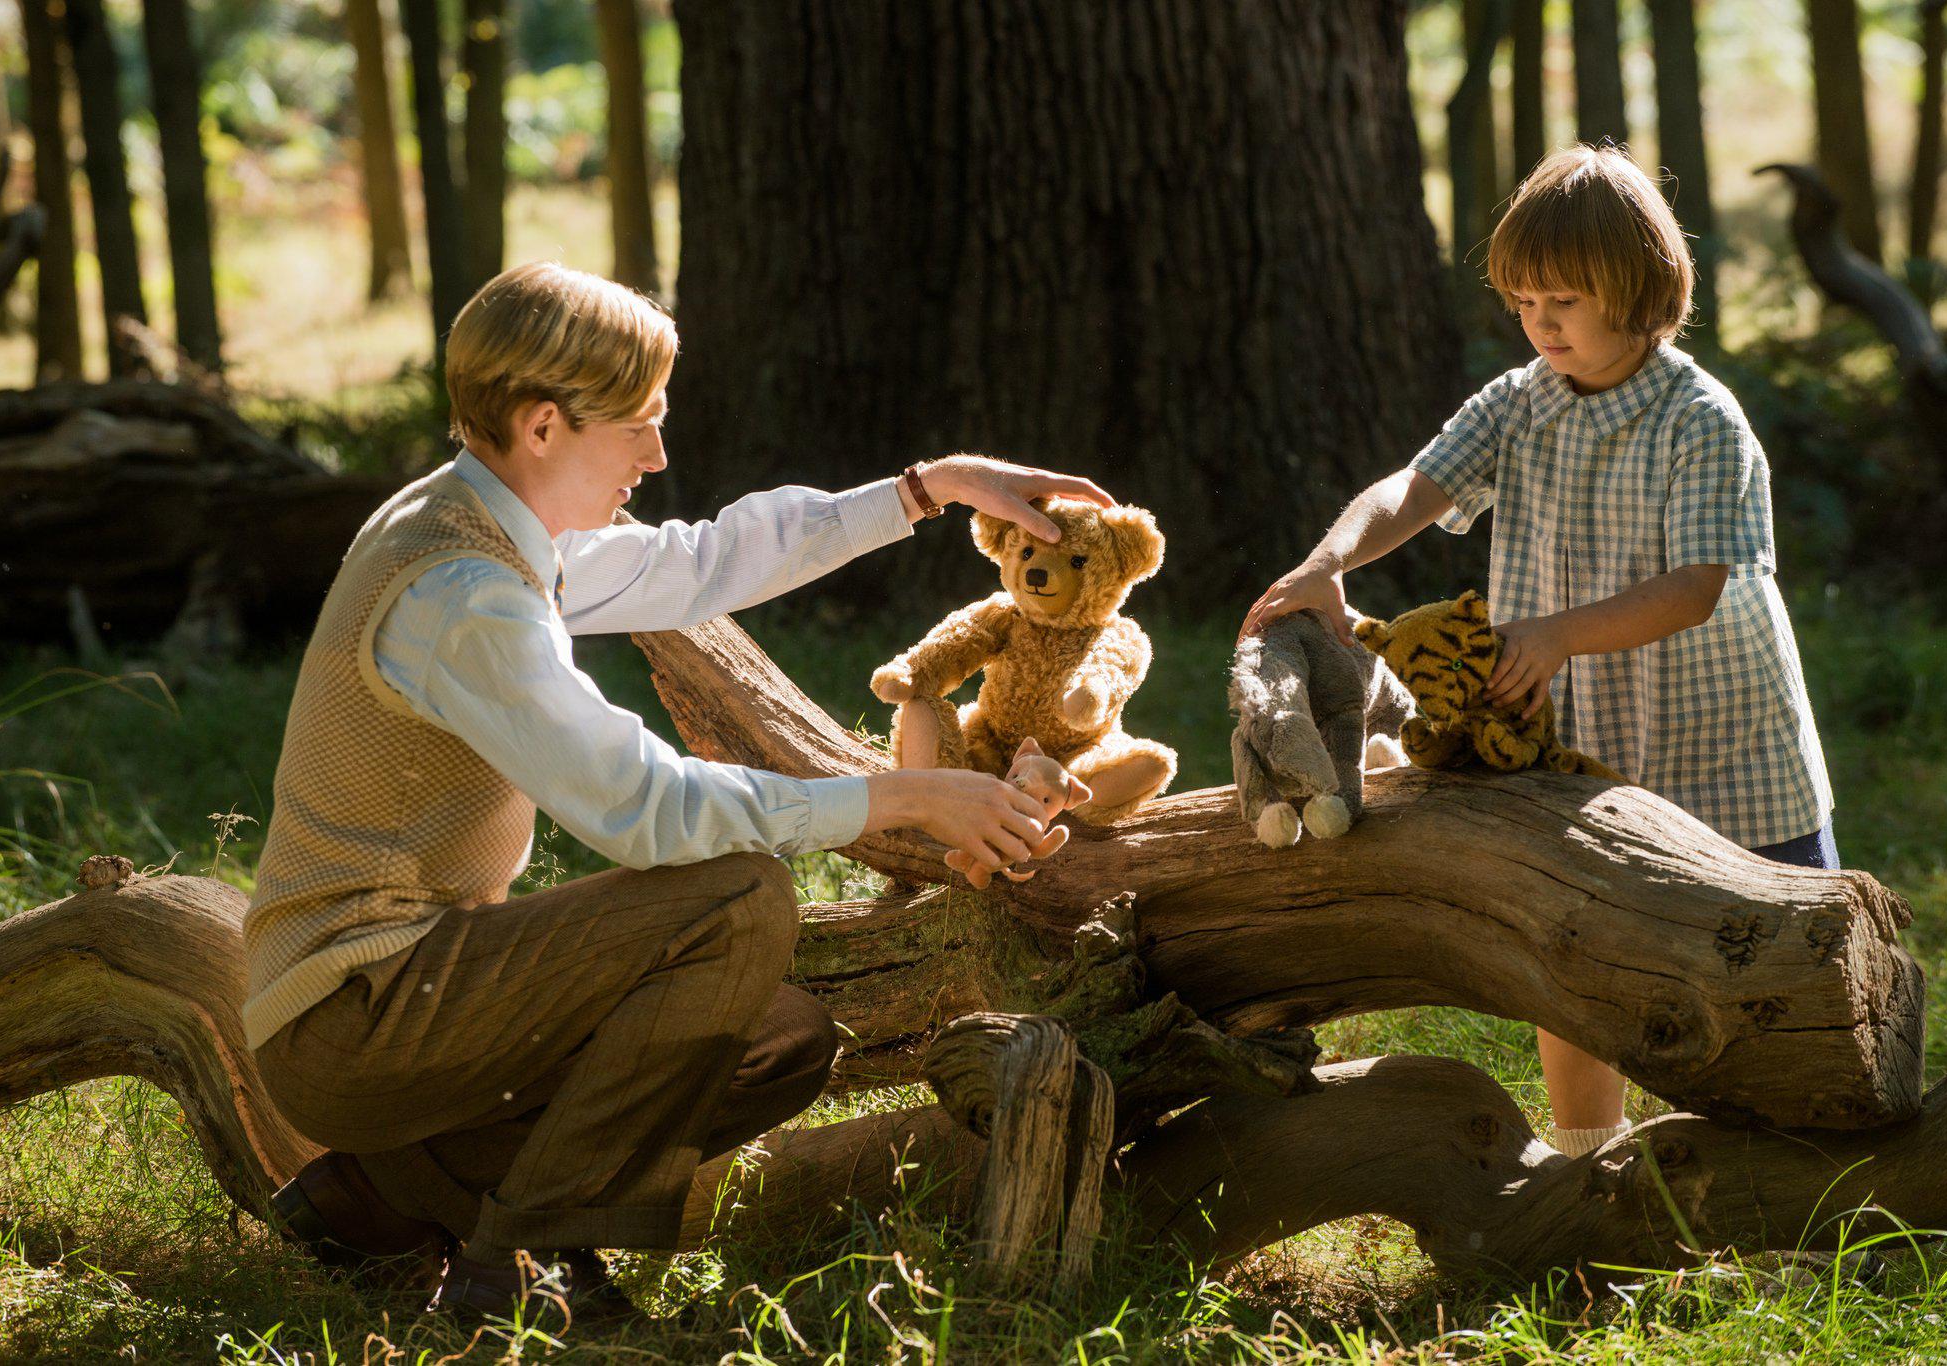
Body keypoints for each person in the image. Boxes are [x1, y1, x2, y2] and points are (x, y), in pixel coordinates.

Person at [246, 261, 1104, 1322]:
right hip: (353, 1013)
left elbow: (699, 563)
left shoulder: (491, 521)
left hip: (404, 989)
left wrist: (926, 489)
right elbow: (645, 810)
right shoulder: (460, 594)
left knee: (777, 1042)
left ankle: (371, 1201)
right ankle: (524, 1272)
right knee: (734, 901)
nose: (657, 455)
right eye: (638, 426)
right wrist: (904, 797)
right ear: (544, 425)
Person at [1240, 144, 1835, 1160]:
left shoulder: (1699, 420)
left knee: (1774, 949)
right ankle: (1583, 1161)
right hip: (1564, 727)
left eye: (1562, 298)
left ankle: (1797, 1154)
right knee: (1572, 944)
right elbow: (1412, 488)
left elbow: (1693, 587)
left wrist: (1555, 632)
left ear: (1642, 291)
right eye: (1521, 300)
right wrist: (1328, 558)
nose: (1539, 322)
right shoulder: (1519, 401)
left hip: (1714, 731)